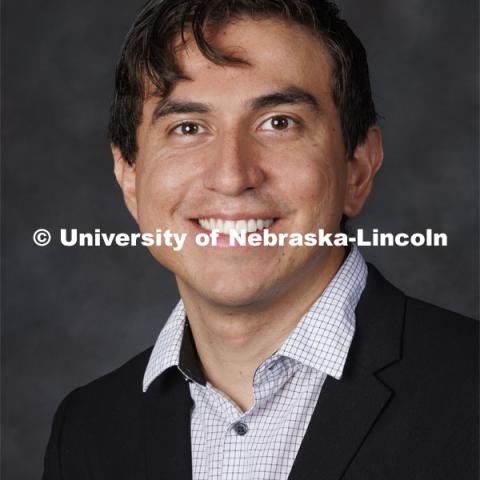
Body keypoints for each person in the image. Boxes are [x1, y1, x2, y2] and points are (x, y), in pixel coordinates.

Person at [42, 1, 478, 479]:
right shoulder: (87, 429)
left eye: (279, 123)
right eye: (188, 128)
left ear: (357, 166)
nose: (232, 176)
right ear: (129, 177)